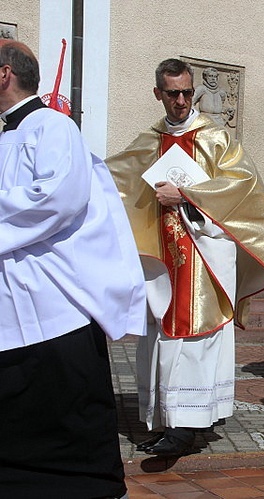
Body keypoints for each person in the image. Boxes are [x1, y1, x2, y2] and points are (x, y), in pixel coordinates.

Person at [106, 58, 264, 457]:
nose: (181, 101)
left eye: (187, 92)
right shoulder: (148, 142)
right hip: (162, 258)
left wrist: (185, 196)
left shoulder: (216, 140)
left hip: (204, 257)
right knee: (164, 336)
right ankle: (175, 419)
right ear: (158, 94)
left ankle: (186, 428)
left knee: (195, 338)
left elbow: (243, 191)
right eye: (173, 94)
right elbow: (114, 180)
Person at [0, 40, 146, 497]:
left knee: (64, 414)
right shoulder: (6, 136)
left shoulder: (51, 126)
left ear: (4, 74)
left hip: (51, 305)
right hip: (13, 303)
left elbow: (58, 198)